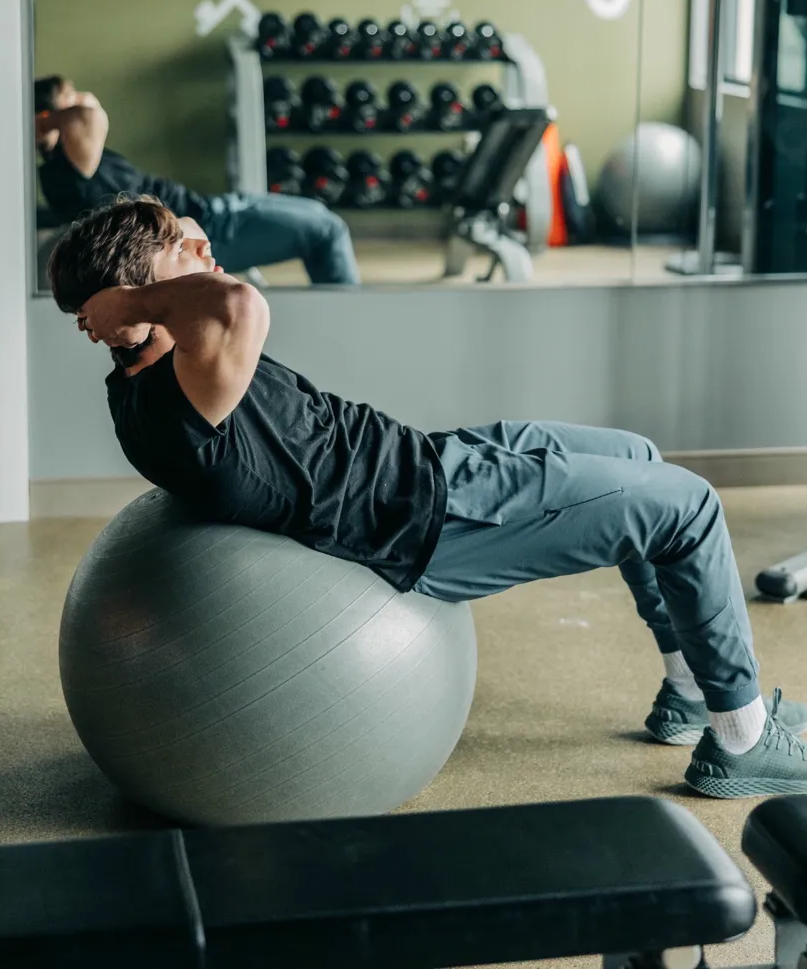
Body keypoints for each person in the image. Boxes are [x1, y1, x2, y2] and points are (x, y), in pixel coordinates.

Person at [47, 195, 807, 799]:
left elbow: (213, 296)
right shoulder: (178, 402)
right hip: (437, 519)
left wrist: (139, 295)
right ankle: (741, 735)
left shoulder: (165, 368)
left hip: (429, 458)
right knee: (690, 505)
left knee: (639, 455)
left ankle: (687, 689)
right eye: (184, 243)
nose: (205, 245)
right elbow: (242, 303)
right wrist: (126, 301)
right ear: (137, 297)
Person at [33, 76, 360, 285]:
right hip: (205, 232)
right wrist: (49, 121)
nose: (85, 98)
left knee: (319, 213)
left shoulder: (79, 160)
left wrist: (60, 111)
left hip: (210, 208)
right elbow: (91, 116)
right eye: (72, 98)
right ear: (49, 121)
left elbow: (86, 117)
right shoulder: (67, 172)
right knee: (328, 231)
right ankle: (354, 319)